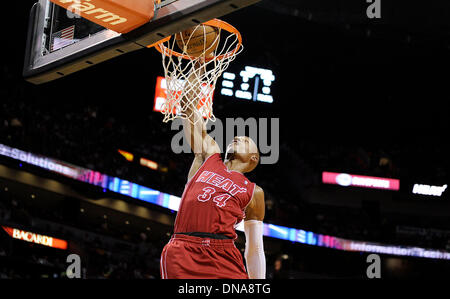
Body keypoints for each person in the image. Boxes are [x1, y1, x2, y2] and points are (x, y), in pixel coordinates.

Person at [160, 62, 266, 279]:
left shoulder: (254, 192)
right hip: (184, 249)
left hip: (224, 254)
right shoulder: (209, 156)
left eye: (245, 140)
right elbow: (188, 106)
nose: (237, 138)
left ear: (254, 158)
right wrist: (198, 66)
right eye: (238, 137)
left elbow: (255, 248)